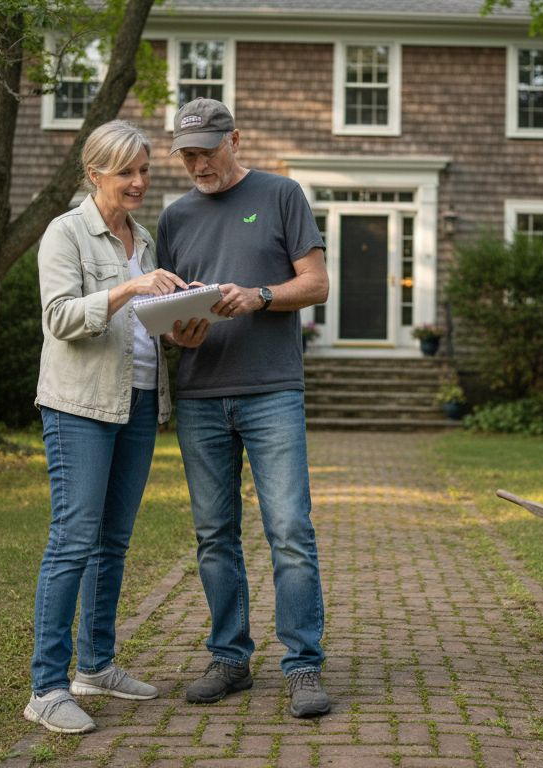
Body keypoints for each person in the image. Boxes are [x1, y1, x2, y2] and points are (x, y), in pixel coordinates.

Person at [158, 98, 333, 718]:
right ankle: (229, 658)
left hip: (271, 391)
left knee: (289, 530)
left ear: (236, 139)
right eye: (187, 154)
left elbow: (315, 284)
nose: (197, 163)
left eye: (207, 149)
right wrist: (179, 332)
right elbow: (170, 311)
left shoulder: (283, 195)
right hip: (201, 394)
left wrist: (260, 295)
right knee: (214, 536)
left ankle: (303, 667)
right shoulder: (175, 217)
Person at [25, 120, 189, 734]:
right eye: (127, 172)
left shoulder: (142, 239)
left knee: (112, 543)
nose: (140, 182)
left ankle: (95, 666)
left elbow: (144, 323)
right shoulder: (64, 233)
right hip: (80, 408)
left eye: (145, 170)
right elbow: (61, 318)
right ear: (95, 174)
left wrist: (182, 323)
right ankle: (46, 687)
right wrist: (130, 287)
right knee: (72, 540)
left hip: (140, 402)